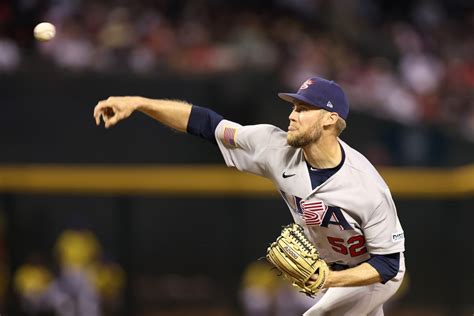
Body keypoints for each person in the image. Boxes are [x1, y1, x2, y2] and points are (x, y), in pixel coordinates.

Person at [93, 77, 405, 315]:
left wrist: (330, 279)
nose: (292, 116)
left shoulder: (367, 187)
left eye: (303, 109)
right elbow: (205, 123)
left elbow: (388, 265)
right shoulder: (274, 146)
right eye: (293, 108)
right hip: (332, 268)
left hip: (372, 274)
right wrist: (138, 102)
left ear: (330, 120)